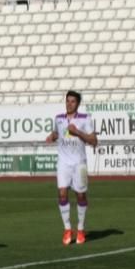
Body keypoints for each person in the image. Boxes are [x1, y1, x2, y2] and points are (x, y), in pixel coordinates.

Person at [45, 90, 98, 245]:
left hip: (79, 163)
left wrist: (78, 132)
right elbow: (57, 133)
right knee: (62, 193)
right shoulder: (59, 118)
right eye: (67, 101)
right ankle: (67, 229)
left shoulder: (85, 119)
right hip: (63, 162)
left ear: (78, 104)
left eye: (73, 101)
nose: (69, 104)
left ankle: (80, 229)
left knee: (80, 195)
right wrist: (52, 136)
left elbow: (94, 141)